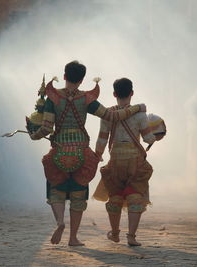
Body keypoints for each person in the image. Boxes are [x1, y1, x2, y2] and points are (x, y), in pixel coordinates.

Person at [28, 61, 146, 246]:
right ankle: (73, 238)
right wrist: (137, 108)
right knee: (78, 193)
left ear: (65, 76)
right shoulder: (87, 99)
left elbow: (46, 128)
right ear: (82, 80)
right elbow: (112, 116)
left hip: (59, 150)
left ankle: (60, 222)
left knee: (56, 189)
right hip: (82, 152)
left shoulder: (53, 97)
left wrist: (34, 136)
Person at [94, 78, 162, 246]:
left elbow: (102, 139)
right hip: (135, 160)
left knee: (115, 196)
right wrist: (157, 136)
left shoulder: (108, 115)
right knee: (135, 196)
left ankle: (115, 233)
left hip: (115, 160)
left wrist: (98, 155)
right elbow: (147, 138)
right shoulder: (140, 114)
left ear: (114, 94)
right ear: (132, 93)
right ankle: (131, 236)